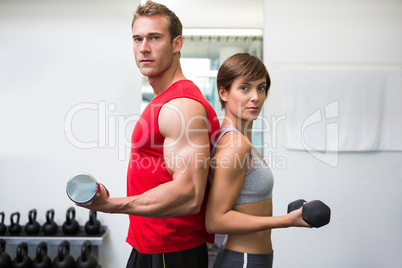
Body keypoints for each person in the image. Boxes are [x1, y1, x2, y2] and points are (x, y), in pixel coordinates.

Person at [79, 1, 220, 267]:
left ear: (176, 44)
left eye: (155, 37)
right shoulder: (163, 101)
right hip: (151, 245)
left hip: (171, 250)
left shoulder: (181, 106)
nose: (144, 47)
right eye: (137, 38)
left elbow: (189, 194)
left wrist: (111, 205)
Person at [205, 53, 310, 268]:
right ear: (223, 92)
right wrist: (286, 221)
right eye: (244, 88)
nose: (255, 97)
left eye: (261, 88)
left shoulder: (242, 140)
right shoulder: (235, 143)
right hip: (243, 260)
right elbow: (215, 219)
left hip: (252, 259)